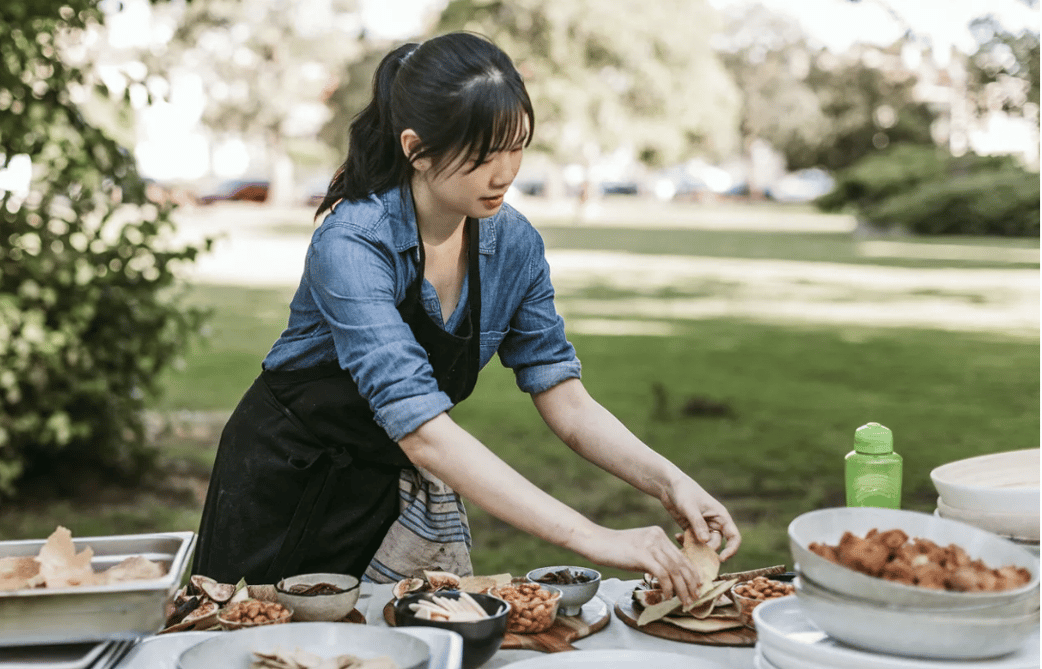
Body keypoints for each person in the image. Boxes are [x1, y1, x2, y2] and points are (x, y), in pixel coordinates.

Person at [191, 31, 740, 608]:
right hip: (280, 488)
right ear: (416, 148)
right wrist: (596, 538)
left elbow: (563, 394)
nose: (505, 173)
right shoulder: (352, 243)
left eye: (516, 146)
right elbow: (425, 433)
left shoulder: (515, 246)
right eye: (482, 155)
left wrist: (669, 482)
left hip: (383, 492)